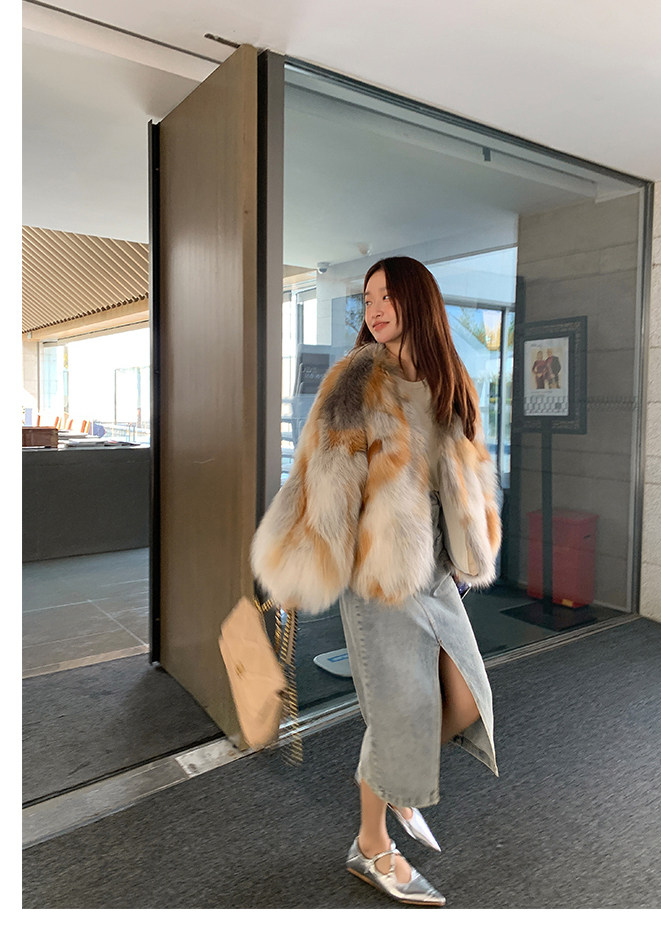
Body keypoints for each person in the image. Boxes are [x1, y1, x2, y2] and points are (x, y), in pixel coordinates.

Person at [251, 256, 502, 907]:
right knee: (401, 713)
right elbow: (323, 480)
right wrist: (299, 568)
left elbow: (471, 472)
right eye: (368, 298)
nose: (375, 308)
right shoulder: (356, 379)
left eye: (387, 295)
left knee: (464, 698)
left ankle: (392, 772)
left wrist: (470, 543)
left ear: (419, 300)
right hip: (381, 577)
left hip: (438, 574)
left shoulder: (449, 380)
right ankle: (372, 843)